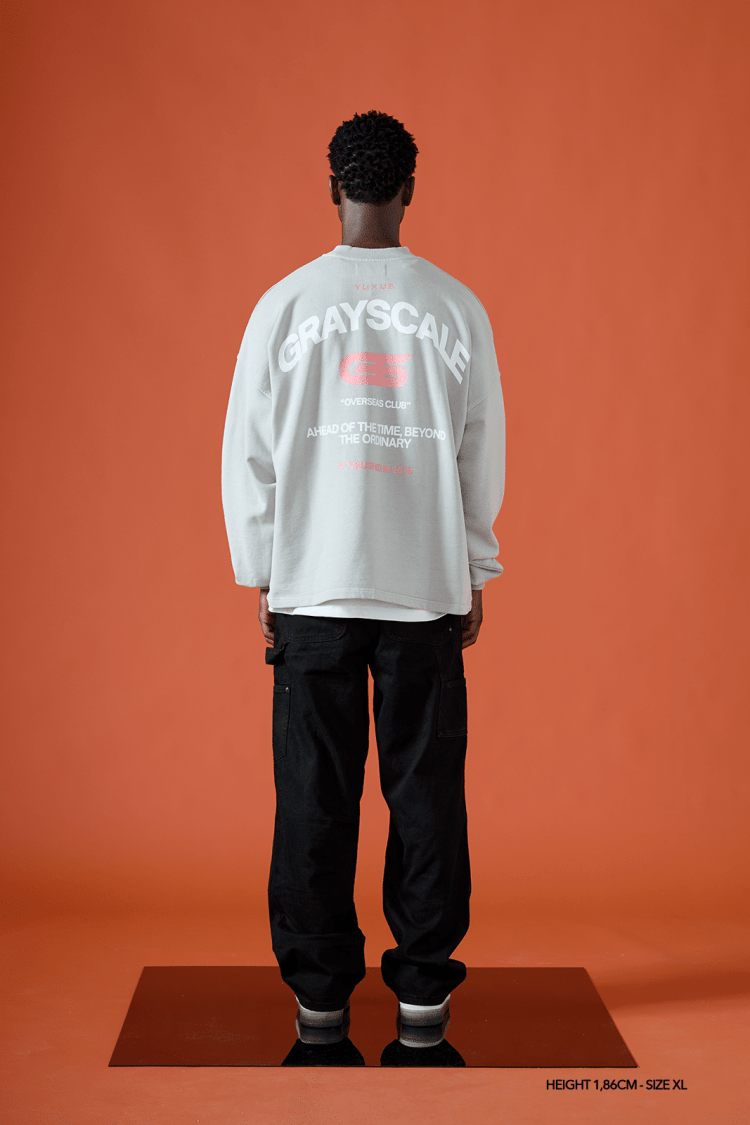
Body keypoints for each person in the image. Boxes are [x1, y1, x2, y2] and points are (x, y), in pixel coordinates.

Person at [221, 110, 505, 1054]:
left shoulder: (283, 305)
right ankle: (423, 996)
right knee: (426, 794)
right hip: (423, 585)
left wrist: (262, 567)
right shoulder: (457, 307)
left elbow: (247, 452)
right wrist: (474, 563)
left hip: (312, 586)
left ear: (333, 187)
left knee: (314, 794)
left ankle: (319, 1003)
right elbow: (479, 450)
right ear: (409, 190)